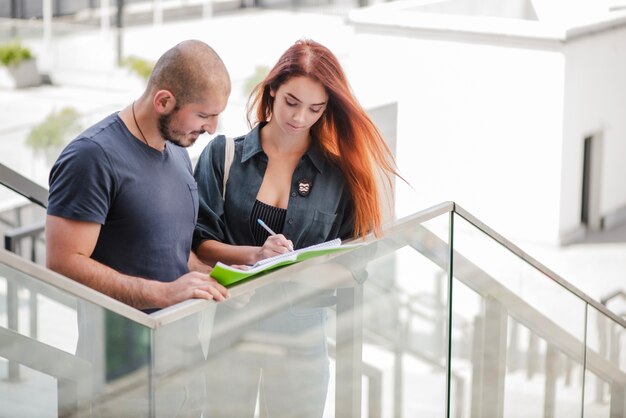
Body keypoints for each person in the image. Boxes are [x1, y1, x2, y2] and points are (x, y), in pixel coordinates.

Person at [192, 39, 400, 417]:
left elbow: (356, 265)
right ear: (272, 90)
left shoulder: (338, 175)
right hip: (230, 336)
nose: (300, 117)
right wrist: (256, 257)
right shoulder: (224, 155)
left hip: (302, 343)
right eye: (291, 101)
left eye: (314, 108)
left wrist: (293, 269)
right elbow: (200, 243)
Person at [45, 39, 231, 416]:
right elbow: (63, 262)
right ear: (163, 101)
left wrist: (220, 275)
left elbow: (172, 253)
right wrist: (162, 294)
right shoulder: (91, 157)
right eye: (203, 116)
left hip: (183, 361)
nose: (211, 129)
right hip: (119, 375)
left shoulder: (177, 149)